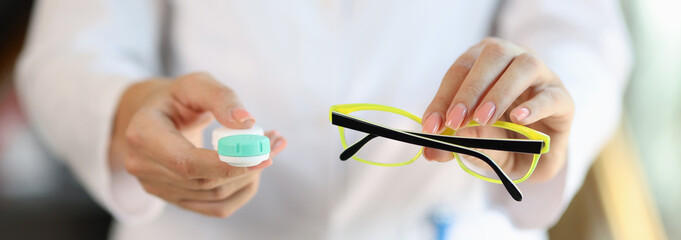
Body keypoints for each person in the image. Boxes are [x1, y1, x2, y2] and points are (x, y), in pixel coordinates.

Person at [15, 0, 631, 239]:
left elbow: (581, 34)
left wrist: (546, 103)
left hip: (446, 221)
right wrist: (124, 109)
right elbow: (66, 49)